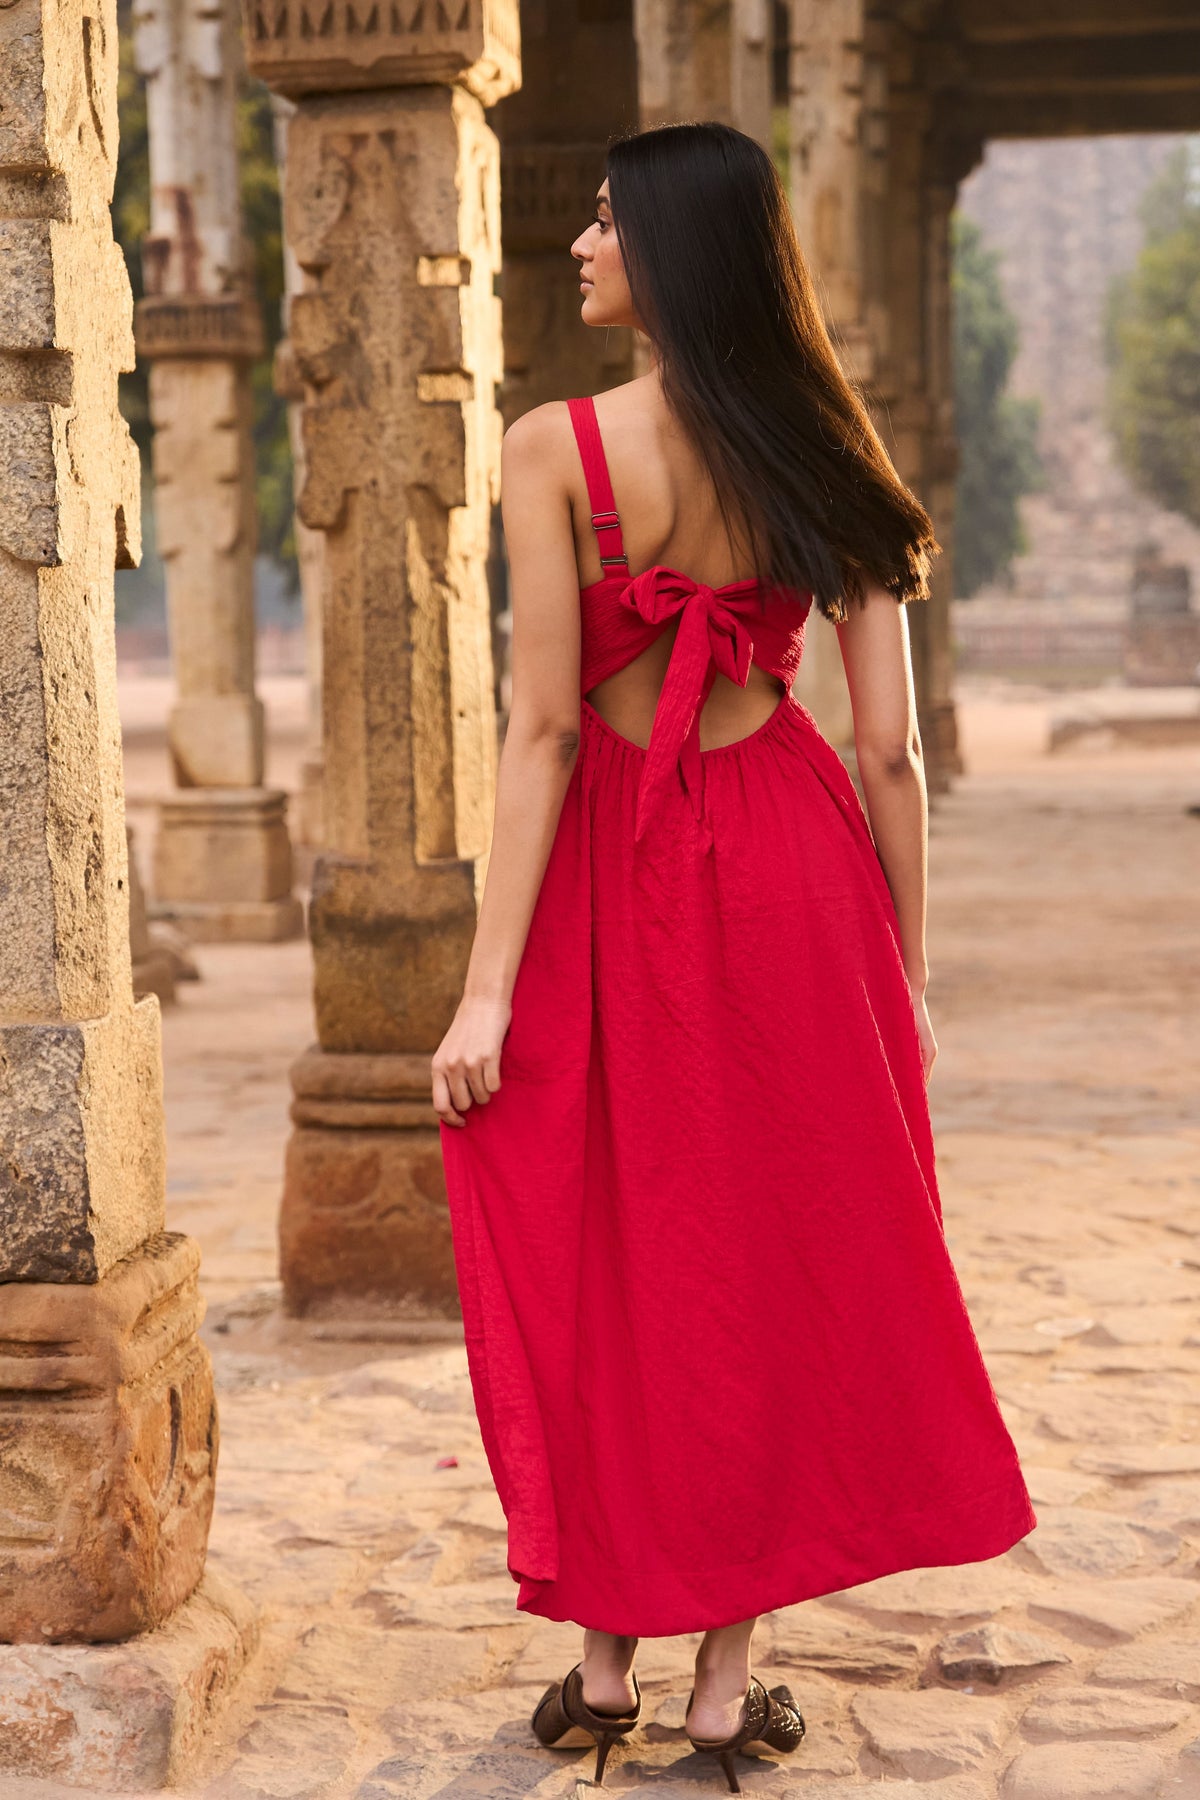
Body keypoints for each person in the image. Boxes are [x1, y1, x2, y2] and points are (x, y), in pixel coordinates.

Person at [432, 121, 1036, 1793]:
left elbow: (545, 729)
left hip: (614, 871)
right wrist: (898, 986)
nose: (583, 242)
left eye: (610, 222)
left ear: (676, 252)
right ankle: (724, 1684)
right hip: (789, 866)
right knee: (768, 1250)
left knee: (606, 1235)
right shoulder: (822, 446)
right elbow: (887, 752)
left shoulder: (551, 445)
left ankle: (606, 1665)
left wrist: (487, 986)